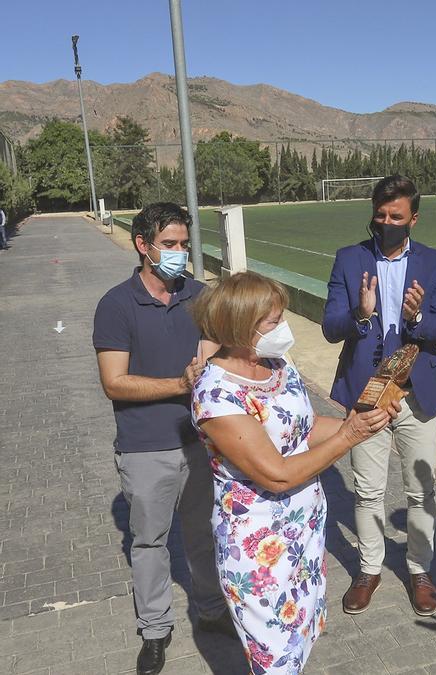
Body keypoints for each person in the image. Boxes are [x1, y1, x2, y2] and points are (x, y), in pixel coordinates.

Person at [190, 271, 396, 673]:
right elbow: (277, 474)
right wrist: (349, 437)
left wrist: (360, 423)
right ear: (240, 326)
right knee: (276, 658)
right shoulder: (216, 395)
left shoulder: (276, 363)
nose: (282, 328)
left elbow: (300, 427)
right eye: (272, 321)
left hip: (302, 530)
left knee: (300, 639)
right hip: (258, 549)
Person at [92, 202, 231, 675]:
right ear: (143, 245)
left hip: (201, 442)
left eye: (182, 244)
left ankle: (213, 611)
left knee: (203, 535)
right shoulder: (116, 304)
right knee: (150, 542)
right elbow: (115, 381)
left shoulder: (200, 295)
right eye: (168, 245)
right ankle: (155, 629)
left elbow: (216, 356)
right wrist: (179, 384)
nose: (178, 253)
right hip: (145, 446)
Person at [322, 175, 436, 616]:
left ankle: (420, 570)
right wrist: (360, 315)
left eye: (396, 216)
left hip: (419, 395)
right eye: (380, 215)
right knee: (367, 490)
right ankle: (369, 569)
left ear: (413, 218)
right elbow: (329, 327)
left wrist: (417, 319)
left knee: (420, 490)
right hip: (367, 393)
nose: (386, 222)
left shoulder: (435, 264)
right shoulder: (348, 259)